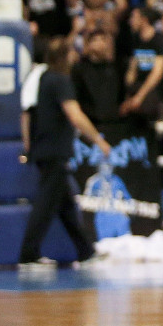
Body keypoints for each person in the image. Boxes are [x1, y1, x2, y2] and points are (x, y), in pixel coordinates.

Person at [19, 37, 111, 268]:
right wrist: (98, 140)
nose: (75, 56)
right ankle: (28, 255)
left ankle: (85, 251)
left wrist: (29, 146)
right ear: (64, 55)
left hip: (44, 149)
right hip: (55, 150)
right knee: (45, 204)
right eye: (72, 52)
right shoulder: (61, 80)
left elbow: (26, 114)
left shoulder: (42, 79)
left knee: (65, 205)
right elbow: (74, 114)